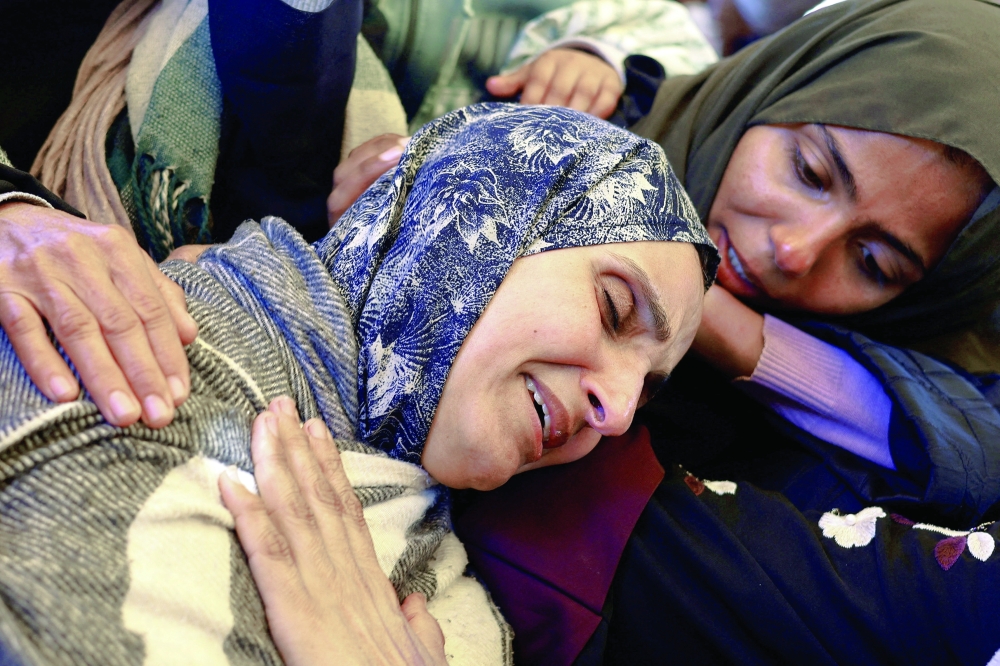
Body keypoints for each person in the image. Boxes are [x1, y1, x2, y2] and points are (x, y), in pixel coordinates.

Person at [0, 103, 715, 665]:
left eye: (647, 388)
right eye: (614, 308)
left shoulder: (442, 578)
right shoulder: (137, 365)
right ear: (476, 212)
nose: (619, 413)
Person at [441, 0, 1000, 663]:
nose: (795, 250)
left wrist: (736, 336)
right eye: (810, 173)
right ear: (778, 82)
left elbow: (967, 445)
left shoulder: (897, 402)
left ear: (928, 296)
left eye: (874, 262)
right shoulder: (566, 133)